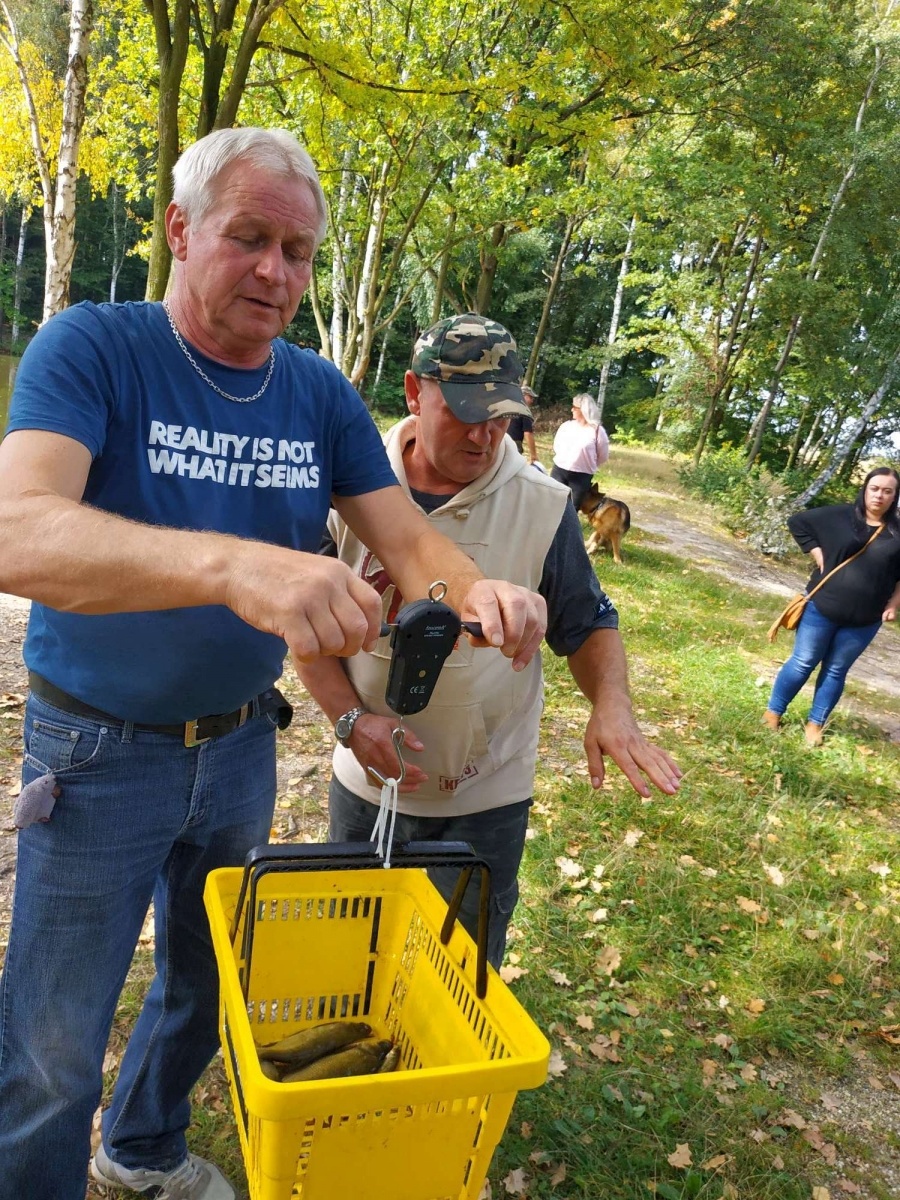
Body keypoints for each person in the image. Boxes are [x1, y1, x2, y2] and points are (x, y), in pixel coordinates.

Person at [0, 132, 545, 1200]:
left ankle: (142, 1150)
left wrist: (476, 591)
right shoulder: (94, 347)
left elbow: (412, 544)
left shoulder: (317, 392)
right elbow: (17, 533)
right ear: (180, 229)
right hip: (95, 750)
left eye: (297, 252)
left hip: (242, 744)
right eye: (249, 237)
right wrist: (234, 566)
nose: (275, 271)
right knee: (55, 1040)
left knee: (208, 988)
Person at [295, 313, 682, 969]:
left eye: (500, 416)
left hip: (486, 794)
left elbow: (588, 622)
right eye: (464, 412)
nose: (483, 435)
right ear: (414, 393)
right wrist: (350, 721)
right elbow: (306, 629)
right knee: (357, 952)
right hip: (367, 778)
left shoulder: (543, 504)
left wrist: (613, 707)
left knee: (461, 962)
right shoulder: (345, 488)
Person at [764, 467, 900, 745]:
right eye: (875, 488)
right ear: (865, 489)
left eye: (888, 491)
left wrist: (894, 604)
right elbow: (797, 522)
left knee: (836, 670)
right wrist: (816, 552)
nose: (879, 495)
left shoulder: (897, 532)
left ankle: (815, 724)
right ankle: (773, 713)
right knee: (803, 662)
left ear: (895, 496)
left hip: (866, 618)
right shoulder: (841, 515)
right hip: (822, 606)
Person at [550, 391, 610, 511]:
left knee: (571, 509)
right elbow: (557, 445)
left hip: (581, 476)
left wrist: (586, 464)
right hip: (559, 470)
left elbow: (603, 455)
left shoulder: (598, 431)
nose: (571, 409)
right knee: (552, 503)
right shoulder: (567, 426)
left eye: (575, 407)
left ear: (584, 410)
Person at [507, 383, 538, 463]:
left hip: (502, 441)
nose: (532, 400)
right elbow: (528, 433)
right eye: (530, 397)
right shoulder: (524, 411)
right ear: (522, 395)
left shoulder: (507, 407)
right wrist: (533, 455)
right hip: (514, 445)